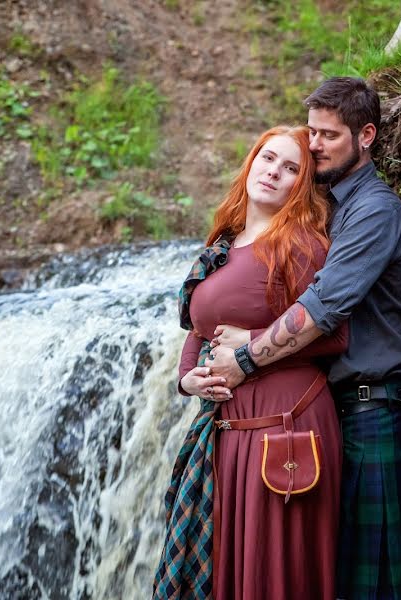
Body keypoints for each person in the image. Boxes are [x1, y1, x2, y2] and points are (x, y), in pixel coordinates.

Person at [206, 78, 401, 599]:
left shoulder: (374, 210)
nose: (313, 145)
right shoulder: (327, 204)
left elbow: (322, 307)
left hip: (374, 408)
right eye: (310, 132)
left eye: (328, 136)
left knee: (374, 587)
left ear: (367, 136)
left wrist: (245, 357)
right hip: (337, 411)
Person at [153, 125, 348, 600]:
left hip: (284, 428)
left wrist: (253, 342)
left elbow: (337, 334)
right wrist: (187, 381)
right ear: (251, 162)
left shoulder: (301, 245)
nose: (274, 173)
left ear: (301, 185)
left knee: (271, 573)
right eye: (268, 159)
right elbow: (199, 329)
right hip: (229, 429)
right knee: (232, 572)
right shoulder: (224, 242)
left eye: (290, 169)